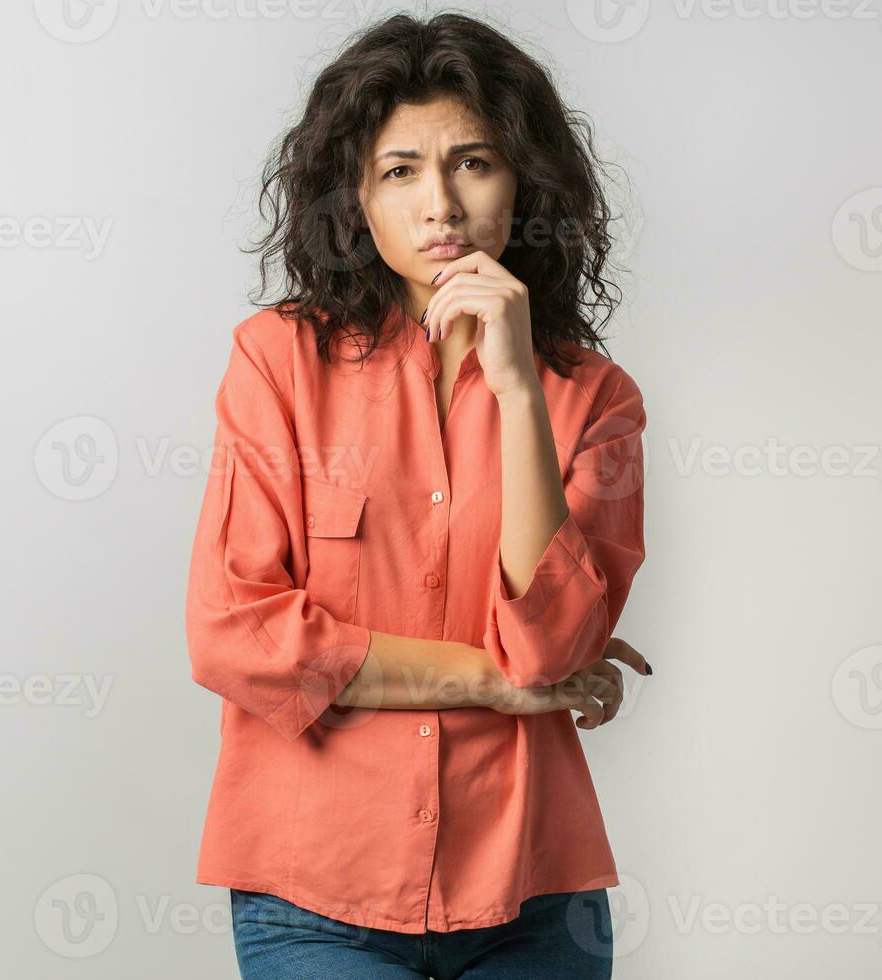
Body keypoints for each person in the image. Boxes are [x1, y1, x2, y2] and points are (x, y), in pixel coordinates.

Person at [184, 12, 650, 978]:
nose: (439, 203)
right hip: (315, 895)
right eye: (399, 170)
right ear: (355, 196)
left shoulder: (594, 399)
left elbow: (552, 650)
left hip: (531, 895)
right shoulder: (276, 364)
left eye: (473, 162)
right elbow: (236, 633)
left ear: (525, 181)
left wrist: (518, 387)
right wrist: (496, 680)